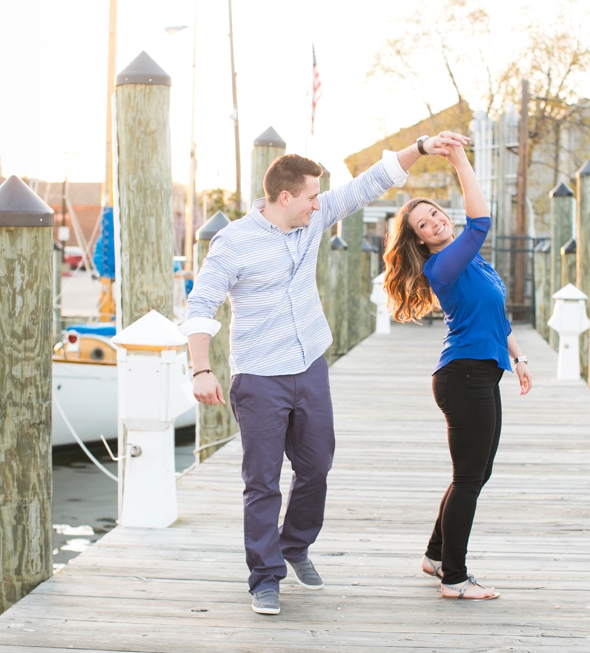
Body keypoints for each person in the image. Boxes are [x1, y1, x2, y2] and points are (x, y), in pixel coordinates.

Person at [180, 131, 468, 615]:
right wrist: (200, 369)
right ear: (286, 196)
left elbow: (367, 185)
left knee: (316, 467)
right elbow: (201, 304)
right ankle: (265, 576)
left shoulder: (311, 221)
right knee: (262, 481)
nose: (319, 204)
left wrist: (420, 147)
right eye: (312, 196)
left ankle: (295, 544)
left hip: (310, 362)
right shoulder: (232, 243)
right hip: (260, 376)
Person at [382, 138, 533, 600]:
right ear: (421, 239)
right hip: (462, 376)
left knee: (474, 474)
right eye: (424, 224)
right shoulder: (443, 264)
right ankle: (454, 577)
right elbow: (482, 220)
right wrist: (460, 159)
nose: (434, 222)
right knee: (469, 477)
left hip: (481, 373)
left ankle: (435, 555)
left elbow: (496, 314)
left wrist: (518, 356)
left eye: (434, 214)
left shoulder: (473, 260)